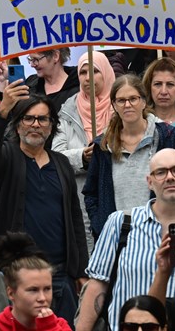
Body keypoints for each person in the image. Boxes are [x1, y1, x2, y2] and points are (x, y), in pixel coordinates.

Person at [0, 82, 88, 324]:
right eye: (28, 119)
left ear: (52, 126)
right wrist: (2, 111)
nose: (36, 125)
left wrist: (80, 271)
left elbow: (74, 219)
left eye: (43, 119)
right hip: (18, 273)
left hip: (60, 276)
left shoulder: (60, 163)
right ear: (18, 124)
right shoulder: (6, 157)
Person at [79, 149, 175, 331]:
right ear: (149, 182)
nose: (170, 177)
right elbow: (98, 284)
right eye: (161, 172)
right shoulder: (122, 222)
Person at [84, 75, 175, 238]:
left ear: (143, 101)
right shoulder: (104, 145)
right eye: (121, 100)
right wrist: (100, 224)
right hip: (117, 238)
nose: (127, 105)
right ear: (114, 104)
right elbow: (91, 193)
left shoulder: (167, 136)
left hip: (160, 233)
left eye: (133, 99)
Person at [53, 50, 116, 229]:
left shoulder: (121, 106)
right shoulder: (68, 110)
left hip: (115, 195)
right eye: (83, 72)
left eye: (95, 71)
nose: (88, 78)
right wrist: (82, 156)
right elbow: (56, 156)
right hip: (80, 199)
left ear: (106, 72)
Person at [0, 233, 72, 331]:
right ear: (11, 293)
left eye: (47, 289)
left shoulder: (59, 326)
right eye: (33, 290)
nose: (42, 298)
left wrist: (50, 327)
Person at [21, 48, 78, 114]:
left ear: (55, 56)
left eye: (36, 59)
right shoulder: (30, 84)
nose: (32, 65)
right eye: (30, 59)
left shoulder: (79, 87)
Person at [144, 58, 175, 126]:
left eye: (170, 84)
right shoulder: (141, 123)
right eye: (158, 84)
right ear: (149, 87)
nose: (163, 92)